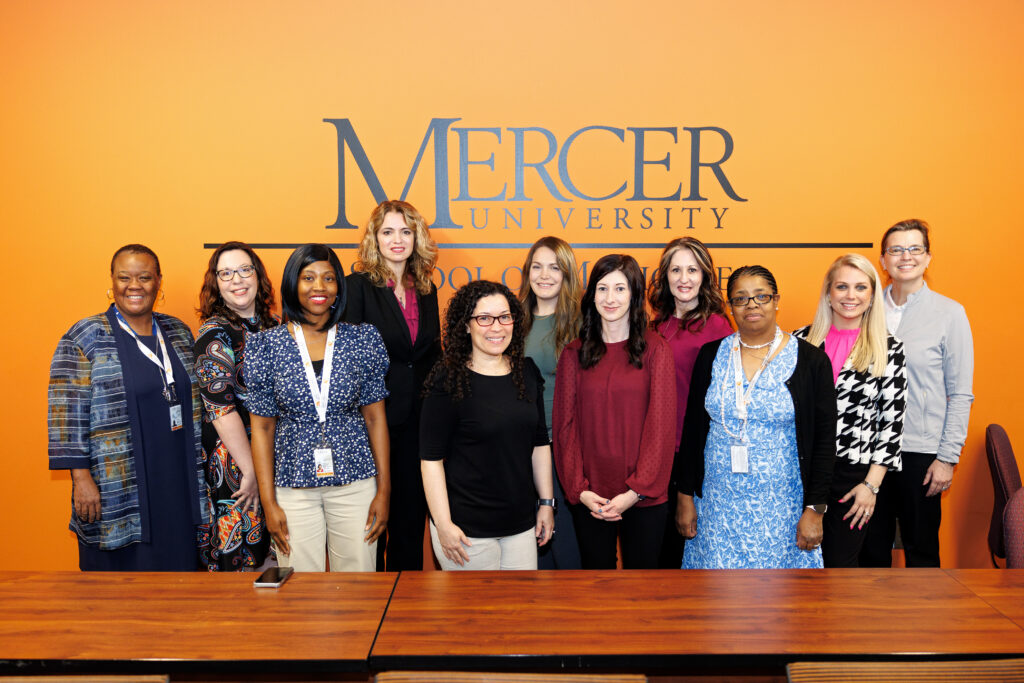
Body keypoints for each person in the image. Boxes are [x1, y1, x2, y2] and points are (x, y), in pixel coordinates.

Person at [48, 244, 209, 571]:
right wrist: (81, 479)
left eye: (144, 277)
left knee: (179, 585)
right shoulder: (85, 335)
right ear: (113, 281)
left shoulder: (178, 332)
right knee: (118, 594)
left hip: (177, 479)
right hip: (115, 484)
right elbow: (65, 415)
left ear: (158, 282)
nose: (134, 285)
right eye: (124, 277)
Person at [676, 265, 836, 569]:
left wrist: (815, 509)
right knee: (716, 598)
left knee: (779, 601)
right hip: (717, 504)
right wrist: (685, 496)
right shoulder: (711, 355)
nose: (752, 305)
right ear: (730, 307)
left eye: (761, 296)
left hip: (782, 506)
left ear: (776, 300)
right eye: (741, 298)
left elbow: (825, 442)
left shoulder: (811, 361)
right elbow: (693, 430)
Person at [245, 244, 390, 572]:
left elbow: (376, 420)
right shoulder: (266, 345)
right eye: (308, 277)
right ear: (292, 284)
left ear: (339, 286)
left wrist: (384, 490)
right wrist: (269, 503)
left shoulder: (362, 340)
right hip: (292, 487)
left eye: (328, 278)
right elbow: (263, 429)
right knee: (299, 592)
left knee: (358, 589)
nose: (319, 287)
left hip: (356, 483)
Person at [860, 219, 974, 568]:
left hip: (920, 454)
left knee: (921, 550)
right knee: (869, 551)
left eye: (914, 249)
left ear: (928, 258)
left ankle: (927, 624)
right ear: (882, 260)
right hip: (867, 450)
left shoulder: (950, 314)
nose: (905, 257)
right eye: (896, 250)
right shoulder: (862, 308)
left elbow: (961, 393)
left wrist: (947, 458)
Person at [420, 280, 554, 570]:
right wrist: (443, 524)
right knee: (472, 616)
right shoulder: (447, 378)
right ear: (466, 325)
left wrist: (546, 503)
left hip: (521, 526)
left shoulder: (527, 372)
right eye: (484, 318)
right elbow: (430, 460)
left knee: (518, 615)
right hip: (465, 532)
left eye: (505, 317)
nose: (497, 327)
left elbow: (540, 443)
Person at [553, 254, 676, 569]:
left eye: (620, 289)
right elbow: (565, 429)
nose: (610, 298)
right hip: (590, 497)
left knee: (643, 593)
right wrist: (579, 490)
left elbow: (660, 429)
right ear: (591, 295)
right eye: (602, 288)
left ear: (634, 295)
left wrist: (634, 491)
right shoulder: (573, 354)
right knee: (597, 591)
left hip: (643, 496)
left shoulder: (656, 350)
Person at [345, 200, 441, 571]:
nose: (397, 240)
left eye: (406, 231)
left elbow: (430, 354)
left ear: (416, 237)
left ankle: (406, 610)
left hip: (418, 424)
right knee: (371, 526)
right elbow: (348, 359)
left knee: (409, 522)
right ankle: (369, 612)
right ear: (375, 238)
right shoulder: (357, 288)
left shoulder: (427, 288)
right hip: (372, 423)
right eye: (388, 231)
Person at [795, 254, 907, 567]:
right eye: (842, 286)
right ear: (828, 293)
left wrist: (871, 486)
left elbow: (891, 426)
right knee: (796, 565)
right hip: (800, 472)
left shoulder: (889, 349)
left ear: (872, 297)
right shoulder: (798, 342)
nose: (850, 296)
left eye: (860, 288)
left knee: (839, 566)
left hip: (853, 477)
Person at [647, 237, 732, 569]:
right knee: (658, 547)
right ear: (665, 275)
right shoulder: (654, 325)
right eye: (676, 269)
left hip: (694, 451)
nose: (684, 278)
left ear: (705, 275)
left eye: (692, 270)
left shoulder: (718, 328)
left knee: (686, 547)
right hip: (657, 451)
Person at [194, 241, 279, 571]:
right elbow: (221, 410)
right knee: (245, 560)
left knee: (282, 557)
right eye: (226, 273)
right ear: (216, 282)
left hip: (279, 455)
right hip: (237, 465)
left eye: (245, 270)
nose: (237, 279)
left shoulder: (277, 325)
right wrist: (252, 470)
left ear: (258, 276)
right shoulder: (214, 334)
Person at [518, 236, 584, 570]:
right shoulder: (513, 320)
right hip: (521, 446)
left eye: (554, 267)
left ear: (567, 274)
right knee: (532, 540)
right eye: (537, 266)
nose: (544, 275)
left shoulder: (582, 323)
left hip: (564, 446)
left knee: (566, 542)